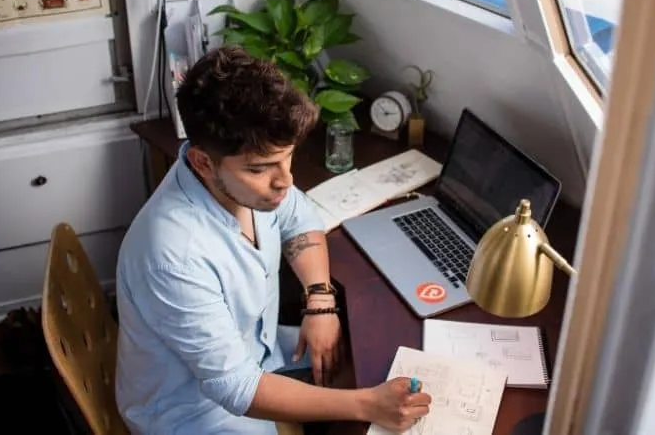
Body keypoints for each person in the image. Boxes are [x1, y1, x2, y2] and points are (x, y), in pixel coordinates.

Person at [114, 45, 431, 434]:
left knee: (366, 359)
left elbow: (299, 215)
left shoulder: (245, 184)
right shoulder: (172, 255)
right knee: (365, 397)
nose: (286, 180)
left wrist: (320, 300)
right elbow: (238, 388)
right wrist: (369, 405)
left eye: (289, 157)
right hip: (196, 413)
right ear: (202, 162)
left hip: (258, 351)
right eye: (261, 168)